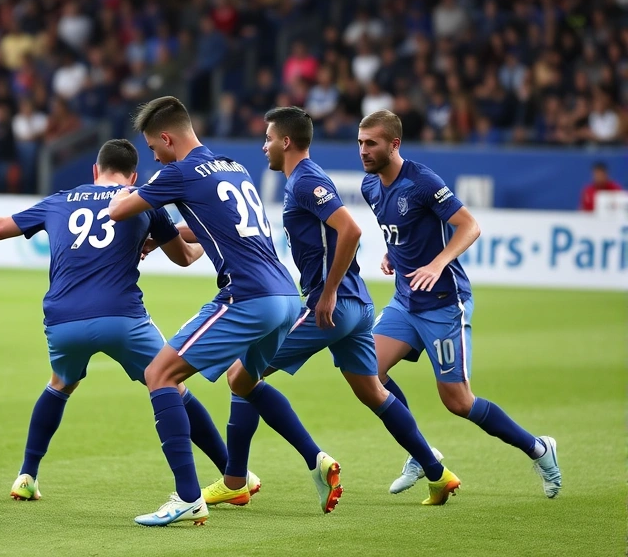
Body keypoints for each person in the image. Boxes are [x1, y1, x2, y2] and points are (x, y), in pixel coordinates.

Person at [0, 139, 247, 502]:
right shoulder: (142, 200)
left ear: (95, 170)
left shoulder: (60, 200)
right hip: (122, 319)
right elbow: (183, 257)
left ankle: (26, 475)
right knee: (171, 383)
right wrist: (209, 240)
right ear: (133, 176)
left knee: (59, 384)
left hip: (63, 321)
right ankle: (233, 475)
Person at [198, 107, 458, 508]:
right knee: (372, 391)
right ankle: (437, 474)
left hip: (331, 306)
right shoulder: (303, 180)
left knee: (240, 374)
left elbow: (350, 230)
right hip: (356, 305)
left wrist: (328, 291)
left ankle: (248, 476)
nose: (264, 146)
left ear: (286, 142)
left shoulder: (306, 180)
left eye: (268, 138)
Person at [108, 96, 337, 527]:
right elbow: (216, 222)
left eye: (153, 147)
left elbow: (119, 211)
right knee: (243, 380)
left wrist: (129, 193)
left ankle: (188, 497)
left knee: (159, 374)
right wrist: (173, 234)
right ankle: (315, 458)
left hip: (247, 296)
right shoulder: (233, 167)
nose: (153, 156)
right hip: (285, 296)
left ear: (166, 138)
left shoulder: (177, 173)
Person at [357, 110, 561, 499]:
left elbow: (470, 225)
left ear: (394, 144)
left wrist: (437, 263)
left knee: (458, 401)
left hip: (443, 304)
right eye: (360, 143)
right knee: (368, 372)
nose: (364, 151)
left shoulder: (422, 181)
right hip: (405, 300)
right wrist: (392, 252)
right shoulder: (370, 186)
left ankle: (538, 448)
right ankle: (421, 453)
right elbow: (400, 230)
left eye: (372, 143)